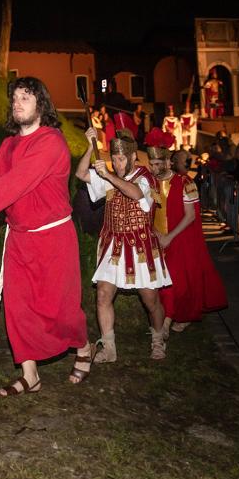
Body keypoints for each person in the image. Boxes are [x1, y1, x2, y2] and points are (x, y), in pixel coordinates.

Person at [0, 77, 91, 396]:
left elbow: (17, 183)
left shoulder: (51, 142)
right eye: (15, 98)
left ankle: (83, 346)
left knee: (60, 308)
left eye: (26, 97)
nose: (17, 103)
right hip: (20, 238)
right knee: (18, 307)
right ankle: (30, 375)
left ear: (42, 105)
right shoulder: (7, 146)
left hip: (53, 238)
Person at [76, 130, 170, 362]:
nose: (117, 164)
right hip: (113, 246)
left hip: (140, 248)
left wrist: (108, 175)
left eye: (121, 159)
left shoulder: (145, 177)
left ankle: (158, 339)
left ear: (132, 158)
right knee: (102, 295)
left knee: (151, 300)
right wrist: (90, 147)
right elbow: (81, 174)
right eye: (114, 159)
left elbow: (135, 193)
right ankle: (109, 348)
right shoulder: (109, 176)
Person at [155, 149, 228, 350]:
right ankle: (167, 316)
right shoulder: (153, 182)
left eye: (158, 163)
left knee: (176, 279)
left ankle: (167, 321)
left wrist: (169, 237)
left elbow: (190, 216)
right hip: (159, 238)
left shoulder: (186, 183)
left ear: (169, 163)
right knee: (162, 280)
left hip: (180, 237)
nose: (155, 167)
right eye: (152, 163)